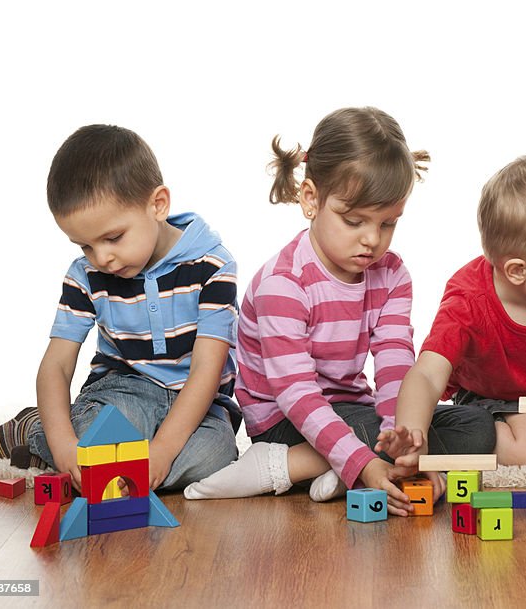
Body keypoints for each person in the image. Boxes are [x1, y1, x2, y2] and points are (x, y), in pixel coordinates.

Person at [183, 107, 495, 514]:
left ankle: (343, 467)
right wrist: (369, 459)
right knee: (367, 434)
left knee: (476, 427)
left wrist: (402, 441)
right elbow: (296, 394)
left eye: (387, 224)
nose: (372, 239)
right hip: (284, 421)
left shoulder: (393, 275)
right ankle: (293, 465)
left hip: (354, 411)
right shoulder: (284, 282)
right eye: (354, 221)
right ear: (311, 199)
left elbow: (395, 368)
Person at [0, 124, 241, 491]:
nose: (103, 258)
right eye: (85, 246)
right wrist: (64, 446)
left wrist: (161, 452)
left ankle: (117, 472)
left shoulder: (213, 266)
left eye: (113, 238)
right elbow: (57, 365)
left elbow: (207, 371)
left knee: (215, 457)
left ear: (158, 205)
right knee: (90, 438)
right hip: (123, 391)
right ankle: (36, 429)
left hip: (199, 402)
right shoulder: (85, 276)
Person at [377, 155, 526, 484]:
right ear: (518, 271)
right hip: (497, 400)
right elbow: (429, 374)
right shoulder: (468, 301)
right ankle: (484, 437)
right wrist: (414, 436)